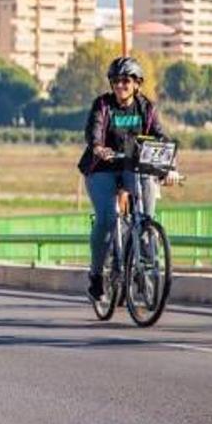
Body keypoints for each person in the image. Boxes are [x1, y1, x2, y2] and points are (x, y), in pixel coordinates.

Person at [76, 56, 179, 301]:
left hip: (134, 166)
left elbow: (161, 138)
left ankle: (145, 271)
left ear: (136, 84)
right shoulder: (103, 105)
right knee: (108, 219)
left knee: (146, 218)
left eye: (125, 81)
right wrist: (99, 148)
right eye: (115, 81)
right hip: (102, 167)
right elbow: (94, 132)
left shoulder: (147, 108)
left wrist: (170, 167)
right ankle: (97, 276)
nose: (120, 86)